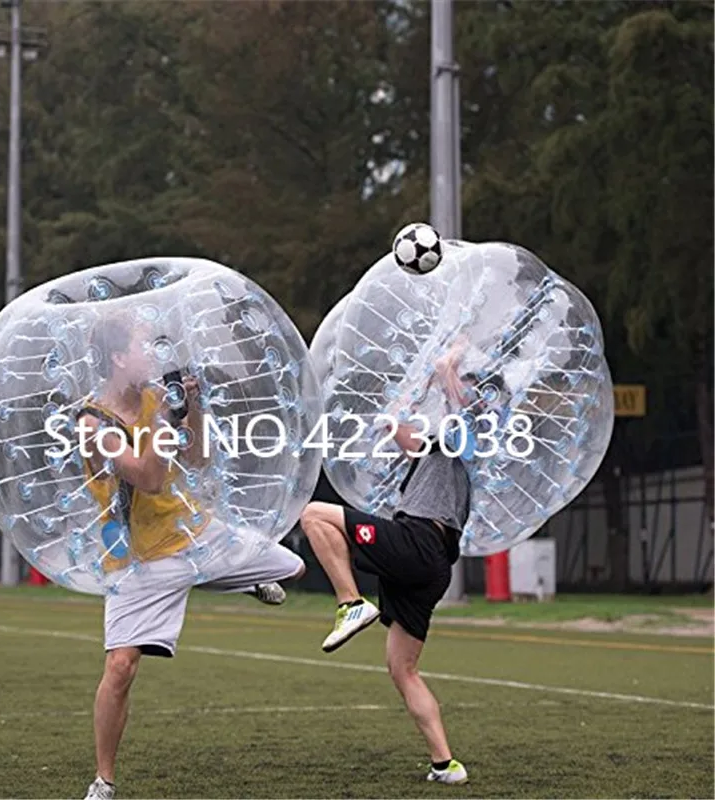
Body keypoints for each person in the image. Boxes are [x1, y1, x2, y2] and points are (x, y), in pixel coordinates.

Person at [78, 314, 305, 800]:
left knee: (295, 566)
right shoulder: (94, 421)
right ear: (120, 358)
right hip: (140, 559)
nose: (153, 355)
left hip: (194, 531)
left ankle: (239, 577)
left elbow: (197, 458)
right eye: (143, 346)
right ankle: (104, 779)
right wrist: (164, 423)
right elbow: (148, 477)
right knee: (121, 668)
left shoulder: (158, 398)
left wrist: (192, 407)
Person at [299, 343, 471, 786]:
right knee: (402, 669)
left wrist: (444, 367)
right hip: (433, 568)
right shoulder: (432, 464)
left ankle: (349, 602)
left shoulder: (448, 446)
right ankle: (444, 764)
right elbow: (397, 426)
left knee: (314, 514)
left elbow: (402, 419)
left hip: (417, 545)